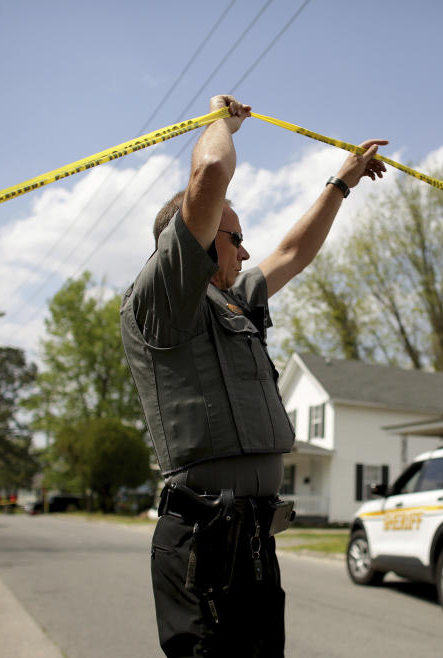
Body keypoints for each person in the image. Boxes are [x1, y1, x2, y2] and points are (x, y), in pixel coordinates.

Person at [120, 94, 386, 657]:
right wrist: (222, 123)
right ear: (190, 235)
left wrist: (341, 182)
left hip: (255, 540)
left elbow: (293, 251)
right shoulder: (161, 298)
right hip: (201, 538)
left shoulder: (233, 301)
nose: (245, 251)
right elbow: (211, 170)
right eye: (233, 237)